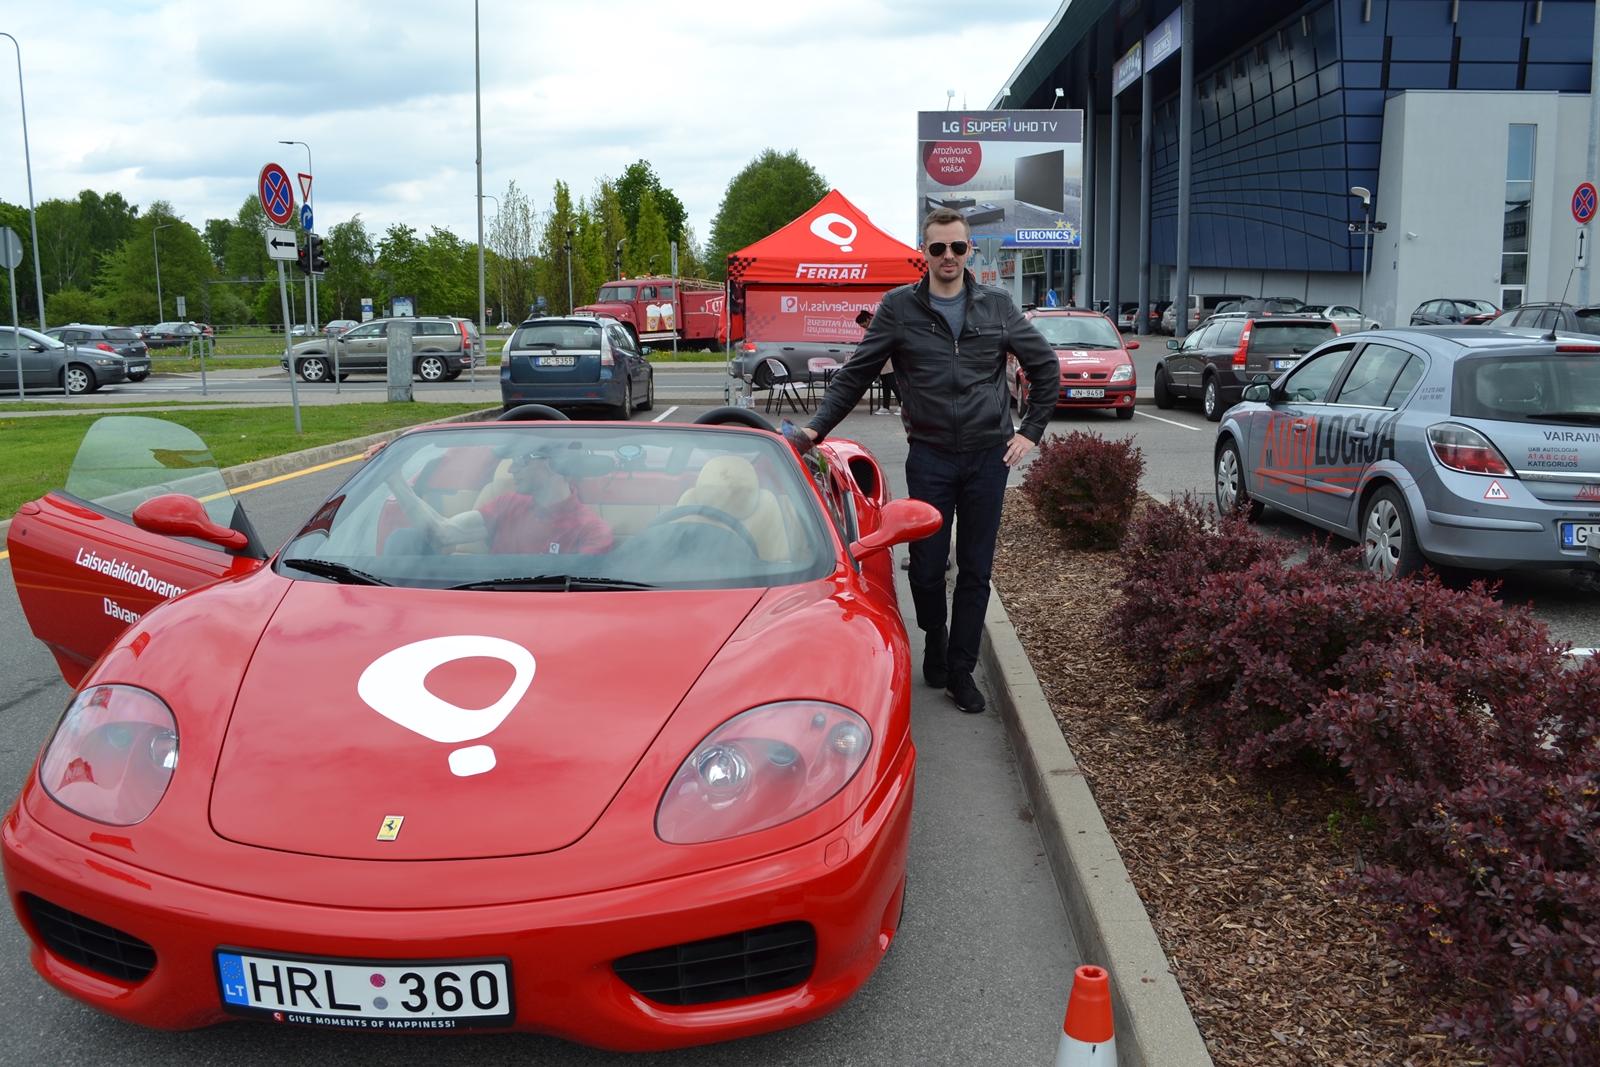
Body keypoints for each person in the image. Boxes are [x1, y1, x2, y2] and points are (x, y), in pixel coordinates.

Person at [801, 207, 1059, 713]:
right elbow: (856, 374)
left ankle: (960, 670)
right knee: (924, 568)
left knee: (976, 571)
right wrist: (815, 430)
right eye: (938, 247)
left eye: (957, 247)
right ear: (924, 252)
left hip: (988, 457)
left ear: (969, 251)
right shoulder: (899, 308)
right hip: (930, 458)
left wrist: (1030, 431)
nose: (948, 256)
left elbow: (1045, 367)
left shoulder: (997, 306)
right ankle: (935, 637)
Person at [385, 440, 613, 555]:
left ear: (555, 463)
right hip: (486, 607)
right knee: (403, 539)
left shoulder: (592, 530)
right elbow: (442, 533)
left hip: (548, 619)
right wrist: (393, 478)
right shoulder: (507, 503)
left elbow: (578, 601)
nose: (511, 469)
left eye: (520, 460)